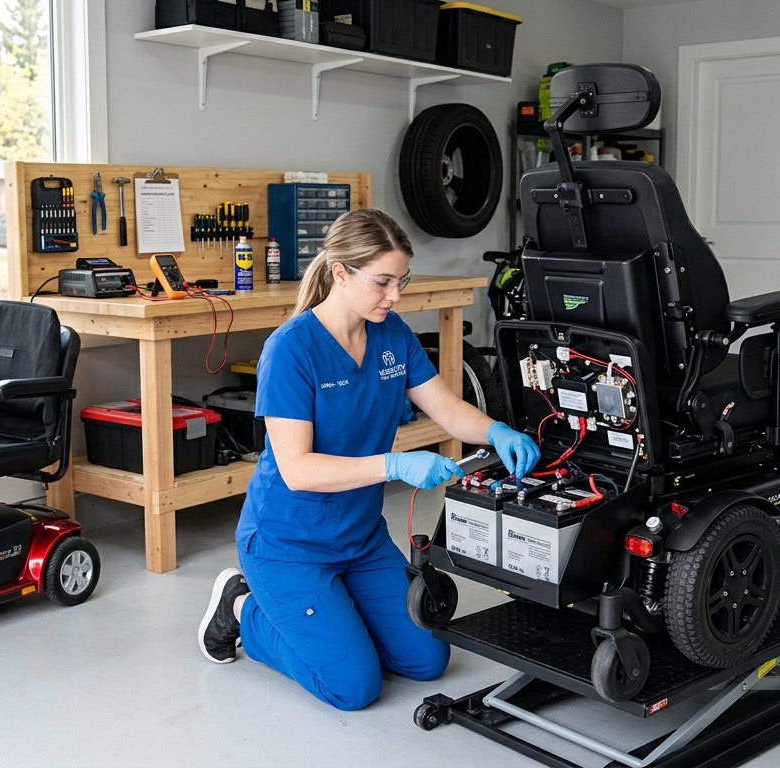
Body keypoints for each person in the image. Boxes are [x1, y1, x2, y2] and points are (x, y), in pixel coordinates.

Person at [197, 208, 539, 711]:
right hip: (288, 540)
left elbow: (443, 406)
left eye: (401, 281)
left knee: (427, 659)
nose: (395, 295)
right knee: (354, 688)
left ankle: (337, 619)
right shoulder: (291, 349)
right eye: (383, 283)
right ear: (341, 272)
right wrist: (396, 465)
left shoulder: (392, 335)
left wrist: (496, 429)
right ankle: (243, 607)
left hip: (360, 537)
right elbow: (298, 469)